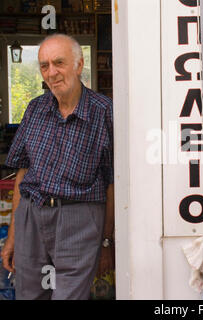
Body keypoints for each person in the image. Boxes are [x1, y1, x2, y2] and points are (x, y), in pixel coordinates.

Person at [0, 33, 114, 300]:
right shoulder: (35, 109)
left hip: (80, 218)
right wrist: (13, 235)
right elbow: (23, 173)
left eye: (59, 63)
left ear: (78, 65)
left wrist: (107, 241)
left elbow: (112, 182)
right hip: (32, 214)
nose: (51, 73)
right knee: (29, 294)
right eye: (44, 65)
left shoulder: (104, 111)